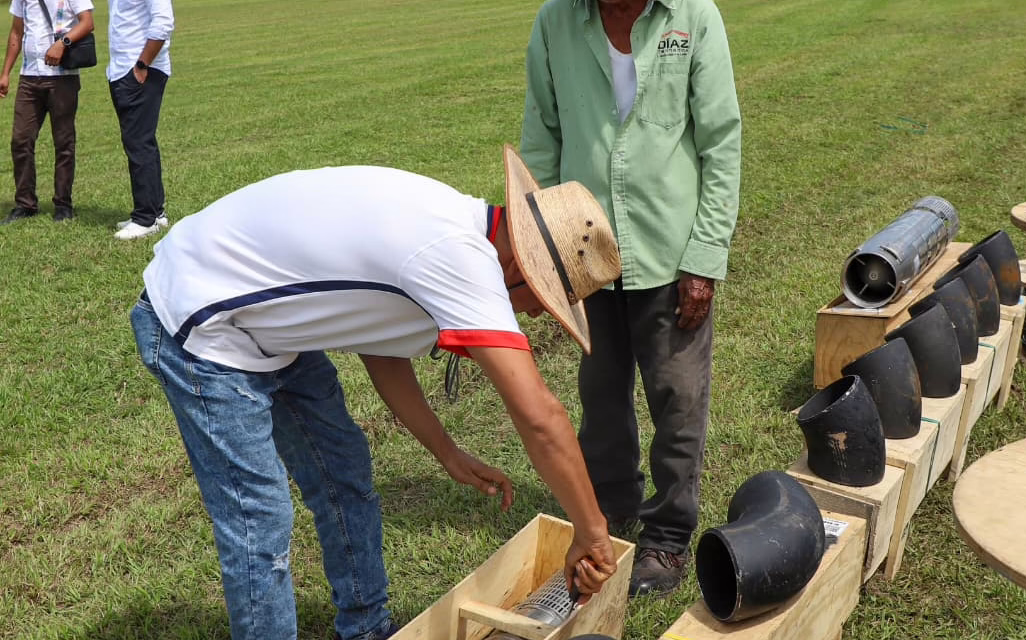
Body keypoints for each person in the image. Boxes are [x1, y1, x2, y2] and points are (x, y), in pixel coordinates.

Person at [129, 146, 622, 640]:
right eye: (542, 301)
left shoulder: (456, 225)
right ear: (520, 267)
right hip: (201, 320)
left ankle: (366, 630)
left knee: (344, 468)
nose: (535, 316)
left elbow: (381, 347)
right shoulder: (460, 257)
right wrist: (592, 531)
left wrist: (446, 452)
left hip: (265, 324)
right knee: (260, 518)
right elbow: (541, 417)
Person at [521, 0, 742, 597]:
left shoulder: (694, 16)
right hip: (584, 250)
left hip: (670, 253)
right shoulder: (556, 21)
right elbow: (542, 134)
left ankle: (667, 538)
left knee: (678, 399)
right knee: (600, 392)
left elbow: (721, 141)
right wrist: (542, 244)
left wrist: (702, 259)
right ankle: (611, 508)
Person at [0, 0, 93, 224]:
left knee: (63, 143)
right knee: (20, 140)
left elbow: (87, 22)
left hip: (62, 79)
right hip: (29, 77)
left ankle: (63, 205)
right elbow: (16, 32)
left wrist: (63, 43)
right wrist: (5, 73)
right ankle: (25, 204)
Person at [106, 0, 171, 239]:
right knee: (143, 142)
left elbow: (164, 22)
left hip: (141, 70)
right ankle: (155, 212)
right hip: (123, 69)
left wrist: (142, 64)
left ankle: (145, 218)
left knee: (138, 144)